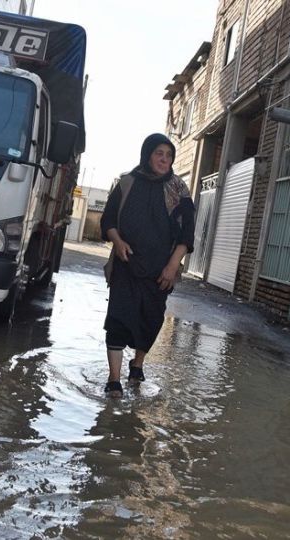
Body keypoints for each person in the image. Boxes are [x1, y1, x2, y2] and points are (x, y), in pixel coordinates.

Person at [99, 133, 196, 398]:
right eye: (159, 153)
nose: (164, 159)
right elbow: (107, 220)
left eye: (169, 155)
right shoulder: (127, 183)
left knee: (151, 321)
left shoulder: (178, 189)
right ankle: (114, 379)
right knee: (117, 319)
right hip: (126, 265)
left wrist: (172, 266)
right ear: (147, 154)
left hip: (160, 270)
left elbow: (187, 233)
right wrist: (117, 242)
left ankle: (137, 363)